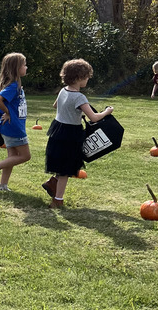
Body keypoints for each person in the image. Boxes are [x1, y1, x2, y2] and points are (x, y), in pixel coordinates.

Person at [43, 58, 113, 209]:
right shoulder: (79, 97)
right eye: (87, 76)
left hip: (57, 129)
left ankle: (52, 183)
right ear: (79, 78)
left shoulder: (63, 91)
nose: (88, 79)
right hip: (70, 133)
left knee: (62, 162)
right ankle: (57, 200)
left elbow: (56, 105)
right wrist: (106, 112)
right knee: (66, 169)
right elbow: (93, 117)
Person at [0, 52, 31, 192]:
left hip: (10, 127)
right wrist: (8, 113)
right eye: (24, 65)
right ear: (16, 68)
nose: (26, 67)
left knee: (12, 156)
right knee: (25, 156)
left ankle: (3, 186)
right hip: (13, 127)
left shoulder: (15, 86)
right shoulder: (13, 86)